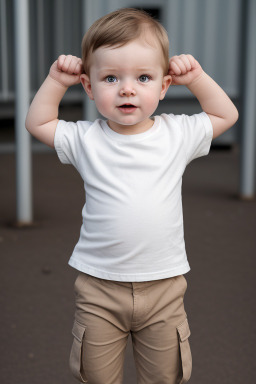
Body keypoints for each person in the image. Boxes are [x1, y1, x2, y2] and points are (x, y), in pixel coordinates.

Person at [25, 8, 238, 384]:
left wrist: (199, 78)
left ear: (164, 86)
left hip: (165, 287)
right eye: (110, 78)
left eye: (143, 77)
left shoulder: (178, 134)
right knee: (96, 376)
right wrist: (57, 81)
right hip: (99, 288)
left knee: (166, 376)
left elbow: (225, 114)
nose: (127, 88)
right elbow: (38, 123)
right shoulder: (85, 138)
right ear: (88, 87)